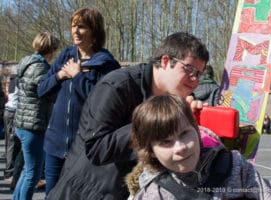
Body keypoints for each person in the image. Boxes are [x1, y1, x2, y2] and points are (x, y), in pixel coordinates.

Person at [47, 32, 209, 200]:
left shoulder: (177, 100)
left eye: (199, 73)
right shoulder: (117, 85)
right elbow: (96, 149)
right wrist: (154, 123)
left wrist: (191, 124)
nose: (194, 80)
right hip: (82, 192)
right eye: (189, 69)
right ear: (165, 61)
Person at [126, 94, 271, 200]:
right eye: (165, 142)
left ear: (196, 130)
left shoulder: (234, 166)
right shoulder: (155, 193)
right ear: (151, 152)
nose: (180, 147)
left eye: (184, 133)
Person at [37, 7, 121, 196]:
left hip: (84, 148)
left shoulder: (106, 65)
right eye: (73, 26)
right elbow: (42, 90)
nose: (75, 31)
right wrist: (60, 75)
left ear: (94, 31)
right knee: (51, 194)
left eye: (81, 27)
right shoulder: (66, 56)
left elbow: (102, 104)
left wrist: (76, 77)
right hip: (55, 144)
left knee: (76, 195)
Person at [12, 32, 60, 200]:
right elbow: (46, 92)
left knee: (28, 170)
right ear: (50, 49)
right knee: (34, 172)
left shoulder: (26, 62)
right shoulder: (41, 68)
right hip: (33, 124)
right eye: (54, 49)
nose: (54, 53)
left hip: (22, 123)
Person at [3, 75, 21, 190]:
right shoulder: (20, 80)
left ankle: (9, 169)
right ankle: (9, 171)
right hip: (13, 112)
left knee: (9, 142)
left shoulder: (13, 79)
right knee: (12, 142)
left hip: (8, 111)